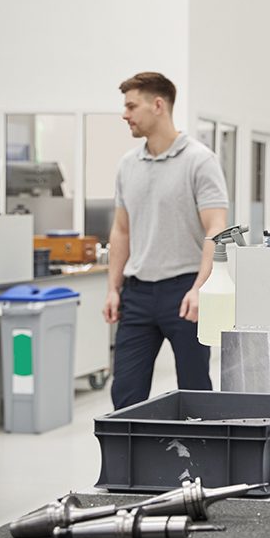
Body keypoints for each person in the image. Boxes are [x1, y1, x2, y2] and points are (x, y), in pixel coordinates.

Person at [102, 72, 230, 410]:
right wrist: (113, 287)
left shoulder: (199, 160)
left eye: (131, 105)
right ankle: (128, 463)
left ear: (158, 105)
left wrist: (202, 287)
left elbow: (216, 228)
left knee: (195, 391)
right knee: (125, 394)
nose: (125, 114)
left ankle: (201, 460)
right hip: (137, 294)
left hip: (185, 290)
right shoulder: (127, 165)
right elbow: (121, 230)